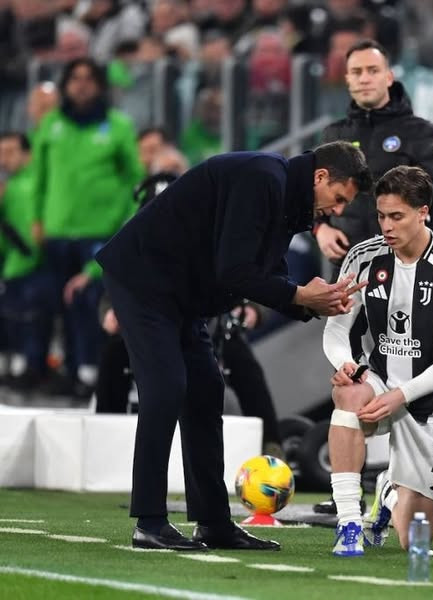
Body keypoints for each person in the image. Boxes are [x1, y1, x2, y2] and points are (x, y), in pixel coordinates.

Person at [95, 140, 372, 552]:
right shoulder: (263, 179)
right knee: (166, 388)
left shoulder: (284, 193)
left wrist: (313, 303)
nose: (337, 210)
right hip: (145, 279)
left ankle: (213, 524)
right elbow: (236, 271)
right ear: (320, 176)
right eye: (338, 197)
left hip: (181, 292)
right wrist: (300, 295)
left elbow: (266, 269)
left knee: (206, 390)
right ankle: (149, 522)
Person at [322, 165, 433, 556]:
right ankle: (348, 523)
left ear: (423, 212)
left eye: (397, 216)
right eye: (381, 216)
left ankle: (389, 492)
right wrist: (345, 364)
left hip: (427, 401)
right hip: (377, 381)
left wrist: (401, 396)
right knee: (348, 394)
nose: (387, 226)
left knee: (416, 544)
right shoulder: (364, 257)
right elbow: (336, 331)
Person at [31, 57, 144, 397]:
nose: (81, 85)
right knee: (61, 305)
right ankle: (69, 372)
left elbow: (135, 178)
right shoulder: (51, 124)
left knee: (93, 304)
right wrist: (37, 218)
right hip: (57, 230)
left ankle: (93, 372)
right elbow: (39, 176)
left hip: (100, 231)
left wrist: (125, 222)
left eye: (88, 79)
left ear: (99, 85)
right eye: (75, 78)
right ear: (65, 85)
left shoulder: (118, 126)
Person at [317, 38, 433, 270]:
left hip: (403, 268)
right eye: (357, 72)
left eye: (373, 70)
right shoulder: (333, 134)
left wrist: (432, 264)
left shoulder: (420, 133)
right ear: (348, 79)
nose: (364, 78)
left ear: (389, 77)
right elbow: (313, 195)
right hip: (347, 269)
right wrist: (320, 228)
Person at [0, 132, 53, 391]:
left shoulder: (37, 184)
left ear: (27, 154)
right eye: (1, 153)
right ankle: (19, 367)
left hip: (36, 264)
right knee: (14, 320)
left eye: (10, 152)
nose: (4, 159)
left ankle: (33, 369)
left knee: (32, 320)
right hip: (13, 265)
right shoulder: (9, 187)